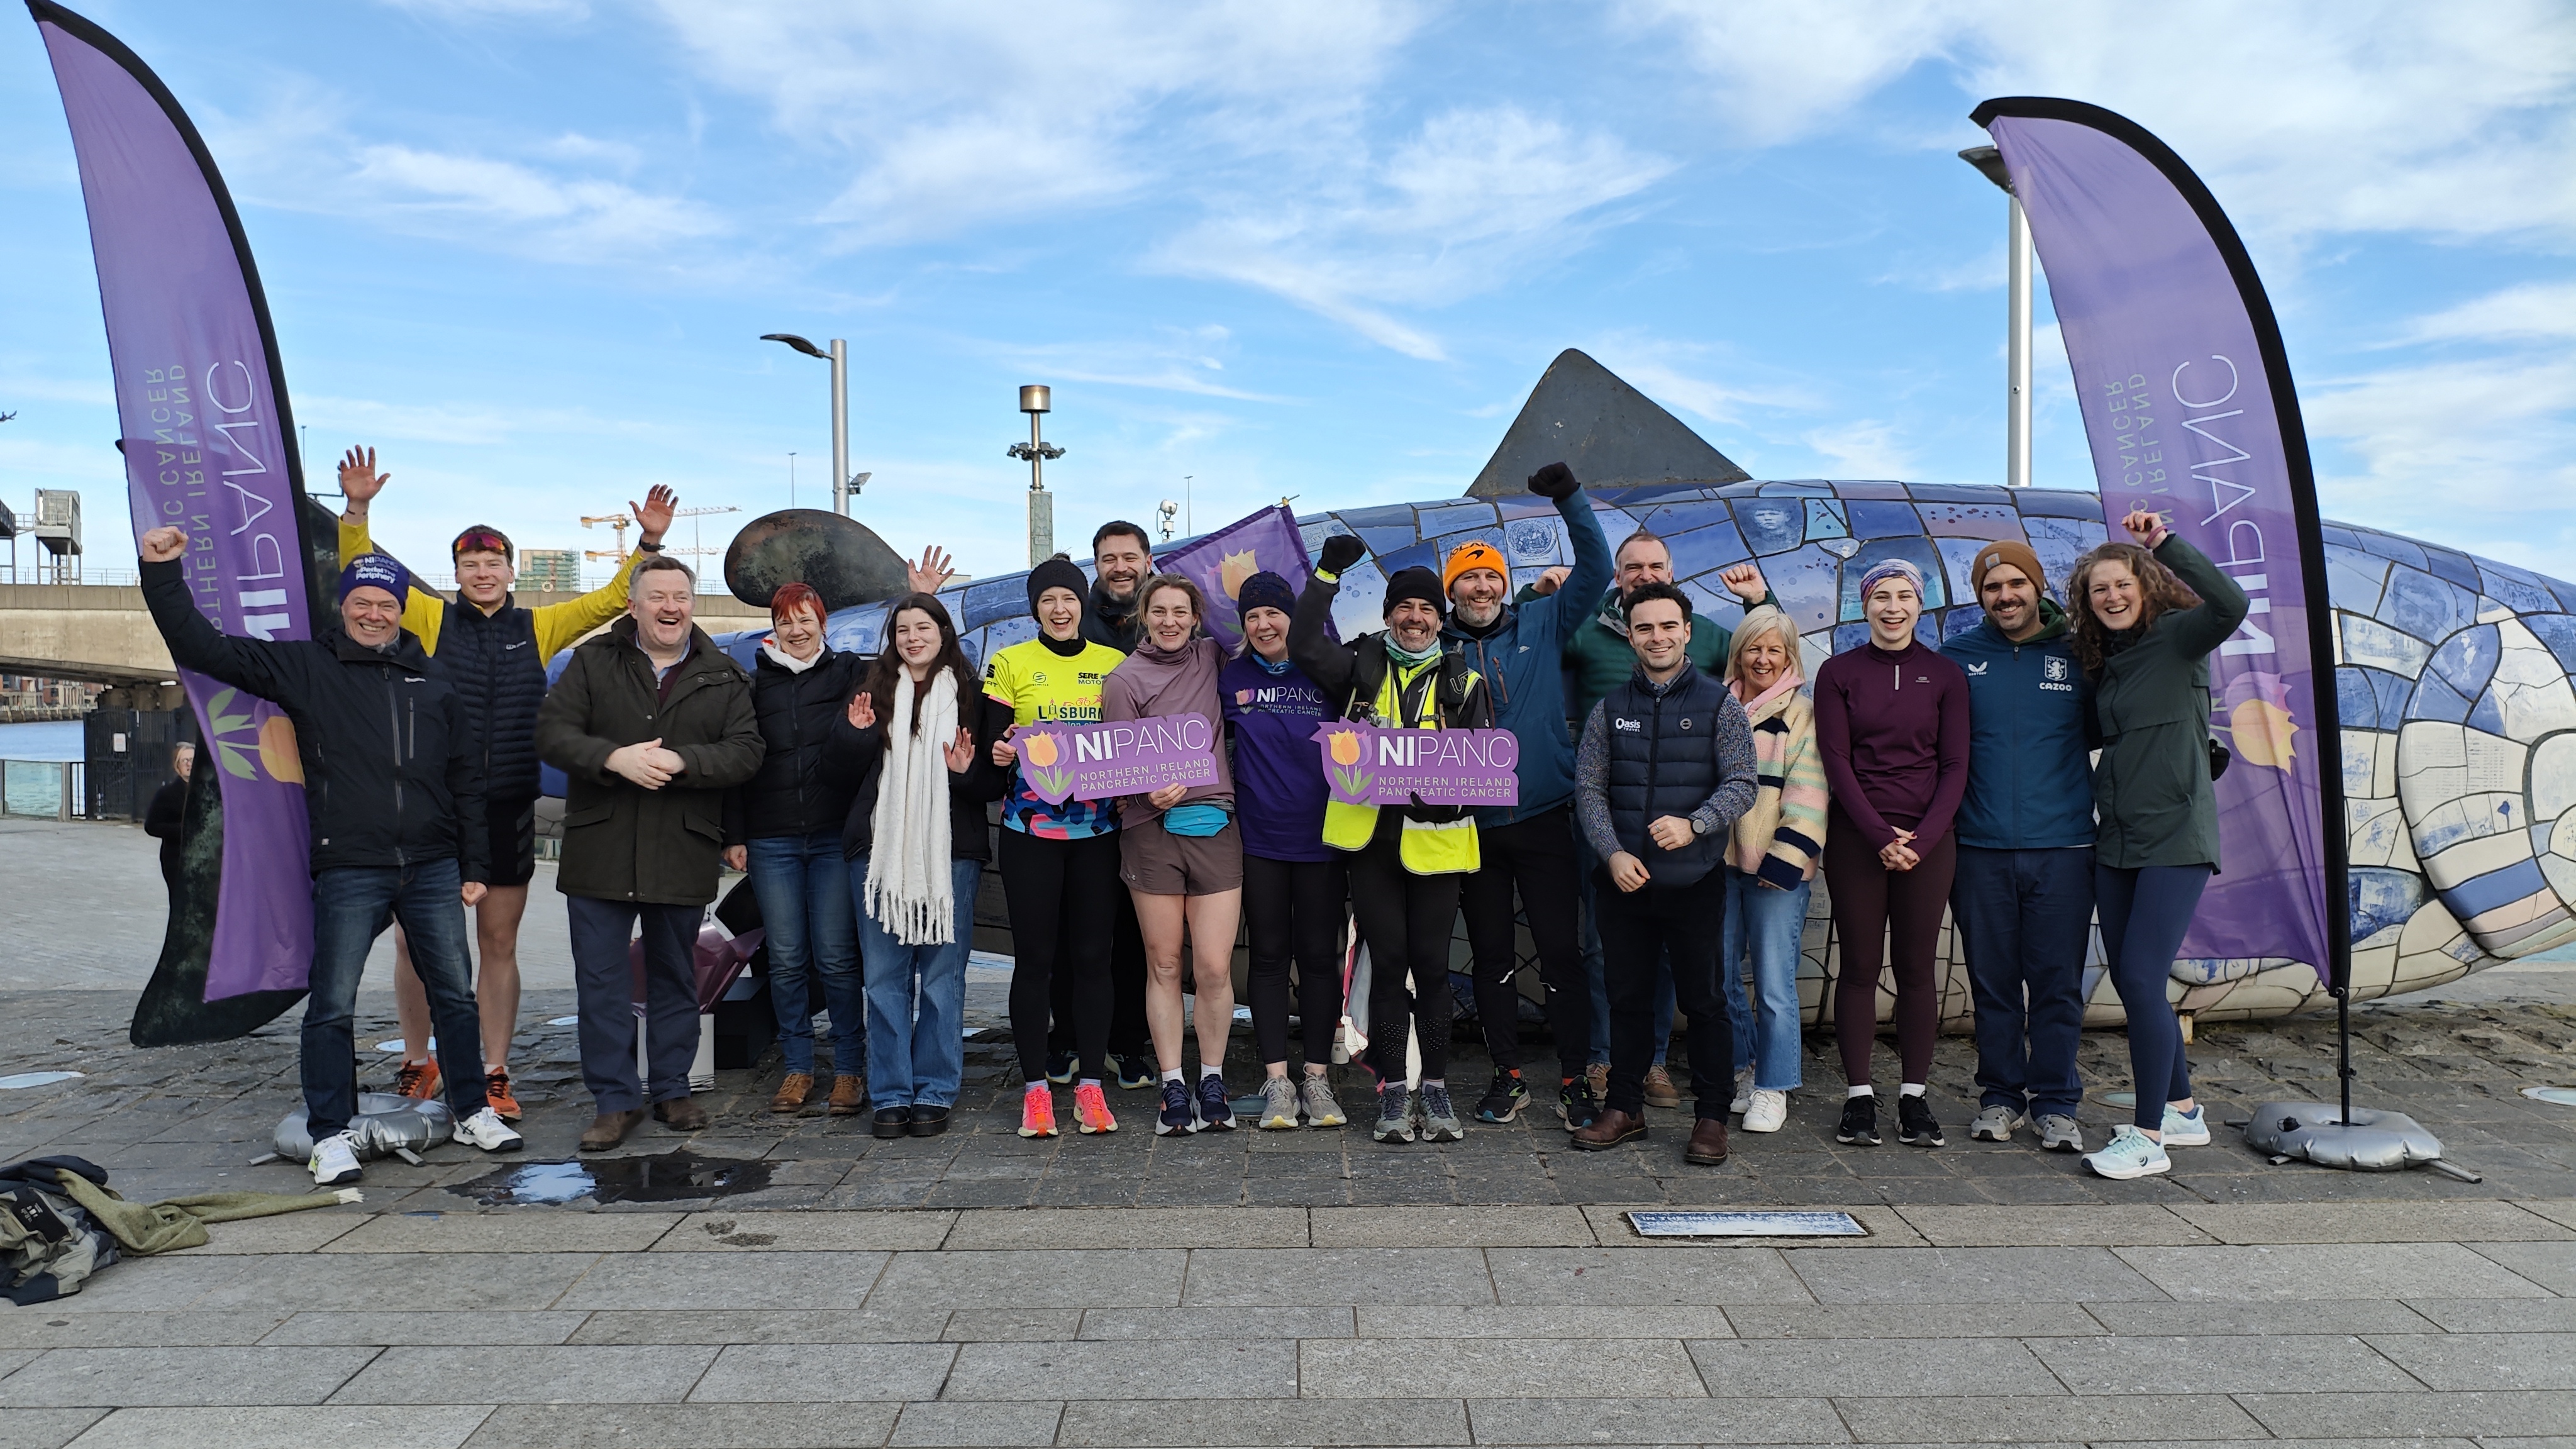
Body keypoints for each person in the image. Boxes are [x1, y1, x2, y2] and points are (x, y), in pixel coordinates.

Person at [138, 526, 522, 1184]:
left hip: (432, 865)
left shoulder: (432, 679)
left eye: (387, 604)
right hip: (349, 865)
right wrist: (162, 572)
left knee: (455, 999)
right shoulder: (306, 668)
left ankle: (470, 1110)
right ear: (344, 606)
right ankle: (329, 1133)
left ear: (402, 611)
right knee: (333, 1004)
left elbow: (466, 779)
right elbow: (202, 646)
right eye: (362, 602)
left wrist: (476, 866)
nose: (374, 614)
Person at [333, 446, 672, 1121]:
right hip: (435, 808)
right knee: (413, 944)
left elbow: (613, 599)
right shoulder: (428, 617)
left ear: (512, 572)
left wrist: (649, 544)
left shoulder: (540, 626)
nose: (483, 574)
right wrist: (357, 511)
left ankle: (493, 1070)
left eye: (493, 564)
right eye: (470, 565)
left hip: (507, 805)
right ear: (455, 574)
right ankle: (419, 1059)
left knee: (497, 943)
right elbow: (360, 575)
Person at [1525, 533, 1773, 1113]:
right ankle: (1608, 1063)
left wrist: (1759, 603)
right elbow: (1529, 641)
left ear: (1683, 627)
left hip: (1689, 856)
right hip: (1614, 838)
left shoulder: (1709, 658)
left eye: (1655, 565)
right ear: (1617, 577)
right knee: (1608, 957)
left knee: (1692, 981)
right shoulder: (1591, 641)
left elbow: (1768, 655)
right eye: (1632, 566)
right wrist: (1535, 595)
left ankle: (1664, 1070)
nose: (1644, 574)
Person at [535, 555, 765, 1152]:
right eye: (658, 596)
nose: (671, 607)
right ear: (633, 605)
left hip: (681, 846)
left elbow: (746, 752)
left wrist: (683, 761)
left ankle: (672, 1089)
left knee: (676, 977)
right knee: (601, 984)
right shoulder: (592, 661)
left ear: (692, 603)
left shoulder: (724, 675)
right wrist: (615, 759)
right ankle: (614, 1102)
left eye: (680, 597)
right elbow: (553, 733)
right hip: (601, 848)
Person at [1293, 531, 1493, 1145]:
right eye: (1404, 608)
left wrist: (1444, 794)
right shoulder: (1361, 665)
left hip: (1438, 845)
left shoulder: (1465, 682)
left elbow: (1484, 771)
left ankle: (1435, 1088)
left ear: (1439, 619)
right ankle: (1393, 1093)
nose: (1414, 618)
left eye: (1426, 609)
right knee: (1388, 968)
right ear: (1388, 616)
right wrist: (1326, 575)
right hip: (1372, 843)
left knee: (1432, 969)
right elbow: (1303, 645)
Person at [2068, 511, 2250, 1181]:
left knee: (2143, 978)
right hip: (2117, 836)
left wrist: (2164, 544)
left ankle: (2147, 1137)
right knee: (2129, 976)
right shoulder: (2107, 664)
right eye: (2098, 589)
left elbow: (2231, 604)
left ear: (2145, 585)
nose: (2112, 596)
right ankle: (2182, 1109)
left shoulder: (2179, 637)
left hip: (2175, 835)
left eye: (2122, 584)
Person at [1440, 461, 1609, 1133]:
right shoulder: (1435, 648)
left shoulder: (1542, 622)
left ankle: (1573, 1078)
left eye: (1490, 576)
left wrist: (1569, 497)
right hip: (1471, 828)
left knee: (1561, 953)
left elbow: (1596, 569)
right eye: (1468, 579)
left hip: (1542, 818)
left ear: (1503, 583)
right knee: (1491, 958)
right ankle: (1506, 1075)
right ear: (1452, 592)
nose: (1481, 587)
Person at [1568, 582, 1758, 1163]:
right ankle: (1624, 1109)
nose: (1658, 637)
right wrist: (1611, 853)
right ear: (1630, 635)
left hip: (1694, 881)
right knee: (1627, 1000)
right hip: (1625, 883)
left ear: (1687, 632)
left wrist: (1696, 824)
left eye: (1668, 626)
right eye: (1645, 627)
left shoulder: (1719, 705)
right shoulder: (1609, 709)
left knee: (1705, 1003)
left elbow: (1742, 783)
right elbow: (1590, 789)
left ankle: (1711, 1119)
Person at [836, 592, 1011, 1139]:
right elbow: (835, 772)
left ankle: (935, 1089)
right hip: (879, 855)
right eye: (903, 630)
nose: (913, 638)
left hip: (949, 853)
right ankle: (891, 1093)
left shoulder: (973, 696)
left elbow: (991, 784)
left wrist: (964, 772)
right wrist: (854, 736)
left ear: (943, 634)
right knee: (883, 977)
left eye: (923, 628)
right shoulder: (871, 690)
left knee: (942, 977)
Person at [1941, 540, 2096, 1153]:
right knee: (1994, 984)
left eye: (2015, 584)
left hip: (2064, 848)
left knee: (2057, 984)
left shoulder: (2079, 656)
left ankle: (2056, 1104)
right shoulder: (1956, 659)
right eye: (1992, 588)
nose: (2005, 597)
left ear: (2037, 587)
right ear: (1980, 597)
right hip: (1978, 850)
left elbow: (2117, 727)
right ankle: (2000, 1098)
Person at [1812, 558, 1968, 1150]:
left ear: (1920, 604)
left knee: (1917, 969)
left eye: (1905, 596)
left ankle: (1914, 1096)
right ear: (1866, 605)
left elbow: (1955, 765)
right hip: (1858, 839)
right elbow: (1837, 761)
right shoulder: (1838, 673)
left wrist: (1921, 841)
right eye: (1882, 597)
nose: (1893, 608)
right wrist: (1880, 836)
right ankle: (1858, 1098)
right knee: (1858, 967)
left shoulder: (1946, 675)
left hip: (1929, 842)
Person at [985, 558, 1129, 1138]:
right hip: (1030, 834)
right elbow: (993, 743)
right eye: (1048, 600)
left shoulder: (1114, 664)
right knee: (1035, 962)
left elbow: (1131, 742)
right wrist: (998, 754)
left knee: (1094, 958)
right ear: (1035, 609)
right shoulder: (1011, 662)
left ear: (1082, 603)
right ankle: (1036, 1091)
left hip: (1098, 834)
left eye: (1068, 598)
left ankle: (1091, 1086)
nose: (1060, 609)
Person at [1102, 575, 1243, 1135]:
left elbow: (1259, 632)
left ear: (1195, 618)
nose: (1169, 621)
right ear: (1144, 615)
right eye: (1158, 611)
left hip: (1216, 827)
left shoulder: (1212, 657)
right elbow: (1113, 767)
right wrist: (1144, 796)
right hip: (1151, 833)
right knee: (1163, 964)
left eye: (1180, 612)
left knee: (1213, 967)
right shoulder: (1123, 680)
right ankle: (1172, 1085)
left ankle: (1212, 1078)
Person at [721, 582, 869, 1118]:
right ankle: (798, 1066)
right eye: (786, 621)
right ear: (774, 629)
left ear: (823, 624)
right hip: (772, 837)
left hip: (832, 835)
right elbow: (737, 763)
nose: (797, 630)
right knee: (785, 960)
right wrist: (735, 835)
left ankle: (849, 1068)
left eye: (806, 620)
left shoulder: (849, 673)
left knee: (836, 957)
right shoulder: (753, 684)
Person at [1221, 571, 1348, 1131]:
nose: (1264, 624)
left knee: (1319, 959)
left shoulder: (1325, 671)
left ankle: (1317, 1078)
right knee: (1268, 958)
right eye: (1252, 616)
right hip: (1261, 842)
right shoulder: (1232, 677)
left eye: (1273, 613)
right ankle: (1278, 1081)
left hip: (1324, 839)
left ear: (1293, 618)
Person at [1056, 520, 1158, 1091]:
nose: (1120, 567)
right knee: (1077, 929)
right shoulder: (1076, 618)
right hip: (1082, 806)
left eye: (1129, 557)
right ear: (1096, 565)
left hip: (1148, 802)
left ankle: (1128, 1042)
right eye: (1108, 559)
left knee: (1136, 931)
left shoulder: (1166, 617)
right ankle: (1069, 1038)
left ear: (1148, 560)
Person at [1718, 606, 1826, 1135]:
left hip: (1774, 870)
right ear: (1739, 654)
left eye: (1774, 650)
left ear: (1789, 657)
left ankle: (1774, 1085)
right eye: (1753, 649)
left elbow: (1809, 794)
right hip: (1720, 866)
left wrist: (1783, 861)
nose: (1763, 659)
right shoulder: (1719, 707)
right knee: (1718, 975)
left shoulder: (1802, 713)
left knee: (1774, 983)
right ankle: (1746, 1065)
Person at [143, 736, 194, 906]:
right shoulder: (167, 794)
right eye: (185, 760)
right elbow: (151, 826)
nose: (190, 764)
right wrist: (183, 830)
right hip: (176, 858)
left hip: (204, 859)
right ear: (177, 765)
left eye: (193, 760)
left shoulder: (208, 792)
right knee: (181, 904)